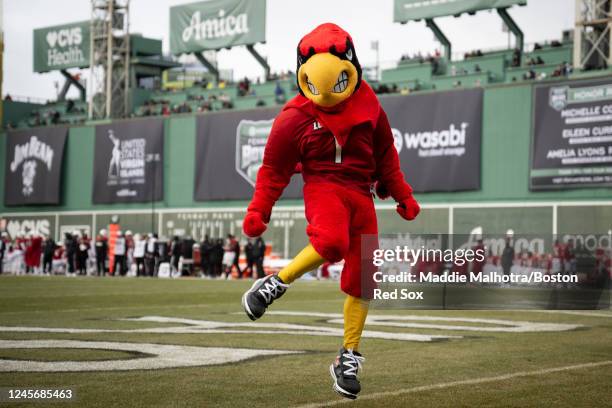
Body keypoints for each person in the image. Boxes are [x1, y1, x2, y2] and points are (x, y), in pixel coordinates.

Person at [240, 23, 420, 400]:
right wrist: (260, 208)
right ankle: (276, 282)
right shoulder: (294, 117)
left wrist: (402, 193)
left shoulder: (370, 104)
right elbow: (273, 169)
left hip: (361, 193)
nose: (328, 97)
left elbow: (386, 153)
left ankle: (348, 355)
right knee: (332, 241)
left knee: (364, 277)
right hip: (324, 185)